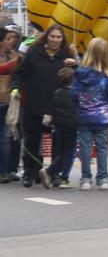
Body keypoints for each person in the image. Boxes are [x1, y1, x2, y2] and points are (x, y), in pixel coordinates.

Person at [10, 24, 78, 187]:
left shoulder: (66, 55)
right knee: (32, 140)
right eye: (52, 36)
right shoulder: (34, 52)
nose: (55, 40)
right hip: (34, 103)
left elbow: (77, 79)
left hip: (58, 107)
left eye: (58, 37)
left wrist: (75, 65)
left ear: (62, 39)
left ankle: (53, 173)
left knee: (58, 142)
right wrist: (16, 88)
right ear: (47, 36)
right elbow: (20, 73)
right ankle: (30, 172)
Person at [71, 37, 108, 190]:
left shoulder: (80, 73)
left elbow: (73, 93)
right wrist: (104, 106)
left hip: (84, 115)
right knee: (102, 148)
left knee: (85, 148)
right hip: (103, 116)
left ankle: (85, 178)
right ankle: (103, 178)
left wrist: (80, 104)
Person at [41, 67, 77, 189]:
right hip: (72, 128)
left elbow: (54, 111)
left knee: (61, 153)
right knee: (70, 154)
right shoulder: (74, 94)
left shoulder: (57, 93)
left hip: (59, 127)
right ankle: (63, 178)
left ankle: (51, 171)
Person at [0, 26, 23, 183]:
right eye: (8, 38)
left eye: (14, 38)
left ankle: (8, 169)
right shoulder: (16, 58)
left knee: (10, 137)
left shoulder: (14, 54)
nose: (12, 41)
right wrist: (19, 59)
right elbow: (4, 69)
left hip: (10, 101)